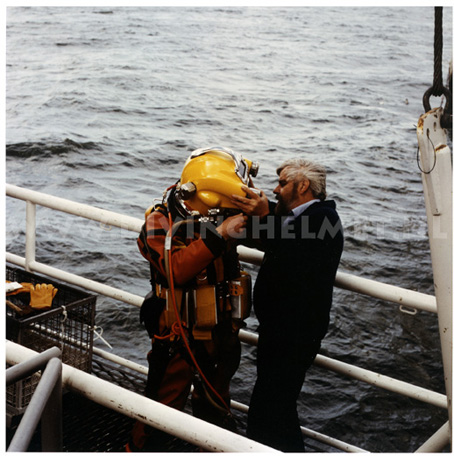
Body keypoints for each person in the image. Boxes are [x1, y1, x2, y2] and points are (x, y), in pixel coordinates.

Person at [127, 147, 259, 452]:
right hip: (177, 336)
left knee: (215, 405)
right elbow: (175, 269)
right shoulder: (159, 221)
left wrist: (258, 208)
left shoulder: (223, 213)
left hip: (219, 332)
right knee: (160, 408)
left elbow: (271, 234)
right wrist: (219, 234)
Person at [231, 157, 344, 452]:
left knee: (272, 409)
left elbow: (286, 244)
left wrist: (263, 212)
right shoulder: (296, 216)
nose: (276, 189)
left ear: (303, 186)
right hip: (279, 330)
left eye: (282, 183)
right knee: (272, 407)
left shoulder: (324, 220)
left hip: (295, 335)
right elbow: (268, 233)